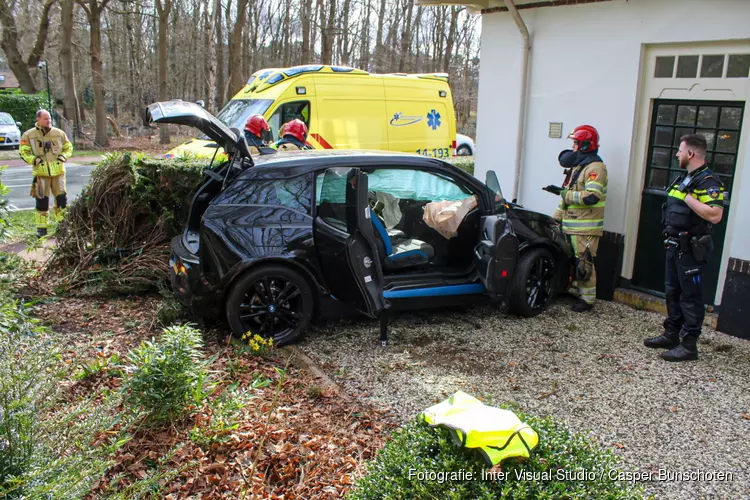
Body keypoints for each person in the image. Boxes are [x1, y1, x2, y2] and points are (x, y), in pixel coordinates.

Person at [644, 134, 724, 362]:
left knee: (690, 298)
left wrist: (689, 199)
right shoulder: (685, 178)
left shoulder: (708, 181)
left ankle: (689, 345)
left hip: (691, 250)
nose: (677, 154)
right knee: (673, 292)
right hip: (674, 246)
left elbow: (715, 215)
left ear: (690, 154)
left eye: (680, 151)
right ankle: (672, 334)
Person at [550, 124, 608, 312]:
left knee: (584, 263)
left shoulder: (595, 168)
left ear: (584, 145)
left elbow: (592, 197)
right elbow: (568, 194)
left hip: (585, 227)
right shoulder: (580, 165)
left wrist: (564, 194)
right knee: (573, 261)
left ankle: (587, 300)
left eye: (576, 143)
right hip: (571, 224)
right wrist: (556, 217)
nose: (573, 147)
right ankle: (575, 291)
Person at [19, 109, 73, 237]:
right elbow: (23, 152)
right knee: (42, 202)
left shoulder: (59, 133)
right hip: (41, 174)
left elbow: (68, 147)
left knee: (61, 200)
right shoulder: (28, 135)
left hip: (58, 173)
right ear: (38, 119)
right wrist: (33, 160)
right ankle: (41, 229)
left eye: (49, 118)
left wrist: (63, 157)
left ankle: (62, 226)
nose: (48, 121)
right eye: (45, 119)